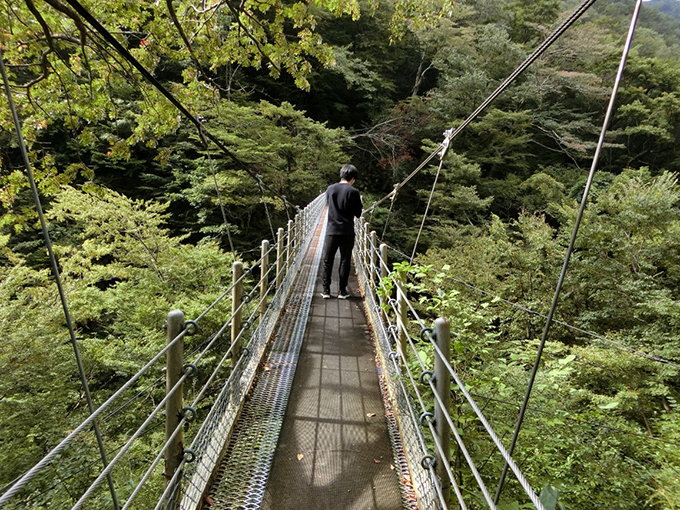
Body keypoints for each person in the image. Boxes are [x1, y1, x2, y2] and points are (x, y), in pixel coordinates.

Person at [321, 164, 362, 299]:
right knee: (345, 260)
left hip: (331, 229)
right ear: (353, 178)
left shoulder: (330, 189)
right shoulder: (353, 192)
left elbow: (329, 205)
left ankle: (326, 291)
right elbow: (358, 213)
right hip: (347, 231)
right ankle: (342, 291)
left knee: (328, 260)